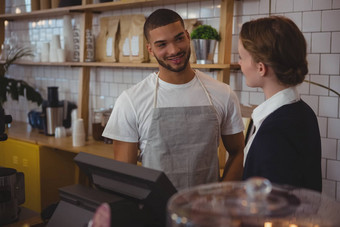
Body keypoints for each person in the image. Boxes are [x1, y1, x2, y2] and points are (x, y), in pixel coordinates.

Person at [103, 8, 245, 191]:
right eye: (161, 44)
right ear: (150, 50)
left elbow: (238, 152)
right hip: (155, 214)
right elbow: (125, 176)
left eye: (179, 38)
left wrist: (221, 200)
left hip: (207, 210)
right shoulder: (130, 101)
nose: (174, 50)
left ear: (187, 36)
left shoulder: (223, 93)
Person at [238, 16, 322, 192]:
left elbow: (274, 209)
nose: (239, 64)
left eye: (241, 57)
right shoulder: (301, 111)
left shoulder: (276, 131)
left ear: (261, 68)